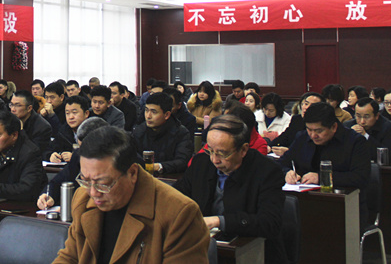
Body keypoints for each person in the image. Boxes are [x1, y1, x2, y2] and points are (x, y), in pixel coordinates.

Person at [53, 126, 210, 264]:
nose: (93, 193)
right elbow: (70, 257)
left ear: (132, 173)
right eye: (85, 180)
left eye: (103, 183)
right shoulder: (83, 198)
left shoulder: (179, 214)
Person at [175, 114, 286, 264]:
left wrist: (219, 221)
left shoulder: (267, 171)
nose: (215, 159)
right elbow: (178, 197)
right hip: (201, 249)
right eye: (210, 150)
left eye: (222, 153)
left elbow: (269, 223)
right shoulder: (201, 163)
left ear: (243, 149)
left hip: (253, 252)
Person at [278, 102, 370, 226]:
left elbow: (360, 177)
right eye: (309, 129)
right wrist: (287, 172)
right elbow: (282, 163)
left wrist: (322, 178)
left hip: (345, 208)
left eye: (319, 131)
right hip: (305, 205)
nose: (313, 135)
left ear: (334, 127)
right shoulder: (302, 138)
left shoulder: (355, 142)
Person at [38, 117, 109, 209]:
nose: (82, 153)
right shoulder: (78, 155)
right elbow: (57, 182)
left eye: (86, 149)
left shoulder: (111, 165)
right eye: (80, 147)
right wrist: (49, 196)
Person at [133, 92, 193, 174]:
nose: (148, 116)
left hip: (170, 177)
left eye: (154, 112)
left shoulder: (181, 133)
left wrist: (159, 166)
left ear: (167, 115)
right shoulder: (139, 130)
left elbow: (182, 161)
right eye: (146, 110)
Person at [344, 97, 391, 165]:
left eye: (366, 117)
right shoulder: (348, 126)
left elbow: (387, 157)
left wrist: (365, 136)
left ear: (377, 116)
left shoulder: (388, 128)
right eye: (358, 116)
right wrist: (349, 136)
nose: (362, 121)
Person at [47, 95, 90, 162]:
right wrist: (51, 155)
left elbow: (98, 155)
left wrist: (75, 157)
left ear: (86, 113)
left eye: (74, 113)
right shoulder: (63, 131)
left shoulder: (94, 131)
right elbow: (49, 149)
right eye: (67, 113)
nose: (71, 117)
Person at [8, 90, 52, 154]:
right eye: (11, 105)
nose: (12, 109)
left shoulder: (42, 127)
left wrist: (21, 131)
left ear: (29, 108)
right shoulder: (8, 120)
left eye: (18, 105)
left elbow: (34, 152)